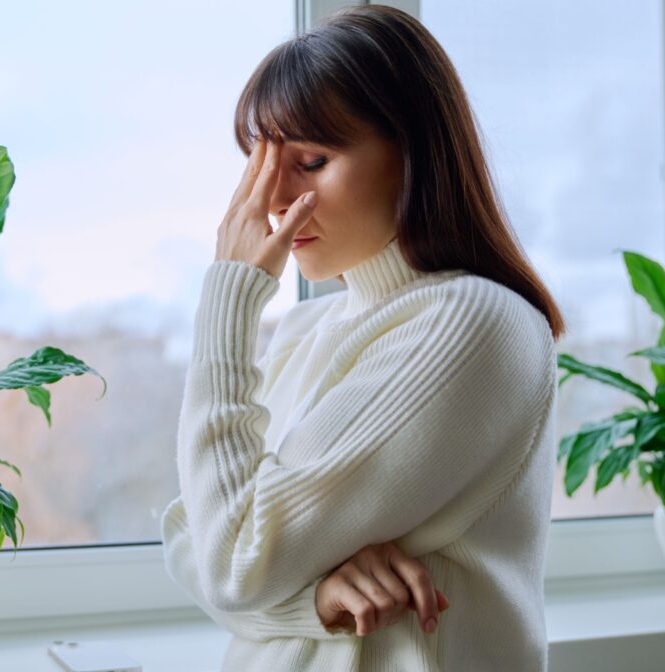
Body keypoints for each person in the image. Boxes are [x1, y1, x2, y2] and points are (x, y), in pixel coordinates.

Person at [160, 5, 566, 671]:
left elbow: (231, 562)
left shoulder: (473, 322)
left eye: (312, 160)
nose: (274, 200)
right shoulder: (304, 328)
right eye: (262, 164)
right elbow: (194, 539)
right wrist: (311, 600)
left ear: (414, 152)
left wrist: (229, 299)